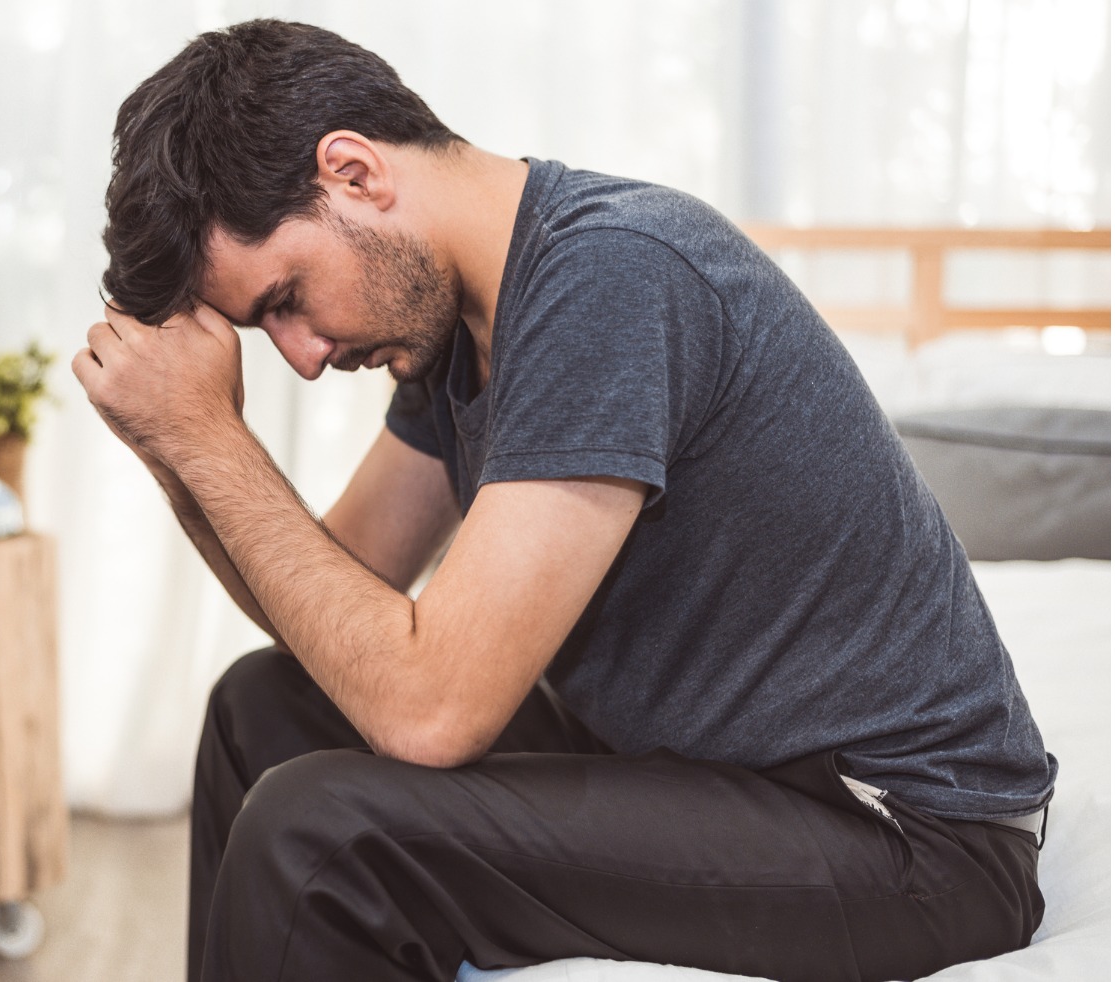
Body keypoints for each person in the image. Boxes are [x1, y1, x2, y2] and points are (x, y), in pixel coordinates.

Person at [71, 19, 1055, 982]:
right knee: (261, 706)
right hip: (707, 768)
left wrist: (210, 437)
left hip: (905, 836)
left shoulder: (608, 276)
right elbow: (335, 594)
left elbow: (430, 712)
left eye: (286, 295)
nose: (303, 355)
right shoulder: (457, 321)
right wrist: (176, 445)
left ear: (355, 174)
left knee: (317, 831)